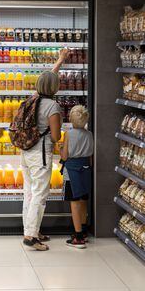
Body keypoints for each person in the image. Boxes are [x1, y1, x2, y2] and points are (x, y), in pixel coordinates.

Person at [21, 49, 68, 251]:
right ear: (55, 87)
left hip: (26, 151)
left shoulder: (33, 99)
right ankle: (31, 236)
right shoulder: (53, 107)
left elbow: (48, 77)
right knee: (39, 194)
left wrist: (60, 61)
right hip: (41, 154)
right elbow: (56, 136)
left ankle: (32, 229)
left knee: (29, 194)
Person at [60, 105, 93, 249]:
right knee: (83, 199)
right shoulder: (89, 134)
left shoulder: (69, 134)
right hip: (86, 168)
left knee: (74, 201)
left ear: (70, 119)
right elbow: (91, 157)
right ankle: (84, 230)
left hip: (72, 170)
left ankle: (77, 236)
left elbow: (65, 155)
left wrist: (61, 150)